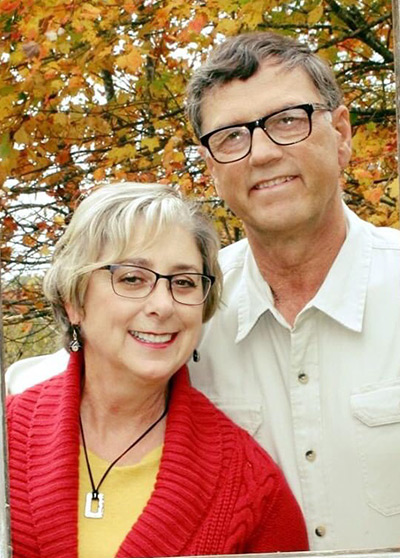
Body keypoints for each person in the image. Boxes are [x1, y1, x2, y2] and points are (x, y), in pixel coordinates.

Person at [6, 182, 308, 558]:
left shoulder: (248, 484)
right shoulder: (7, 438)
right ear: (74, 302)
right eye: (132, 278)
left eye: (183, 283)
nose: (163, 305)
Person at [184, 31, 400, 551]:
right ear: (211, 166)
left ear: (342, 132)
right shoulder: (183, 317)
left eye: (286, 121)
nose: (260, 153)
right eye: (231, 136)